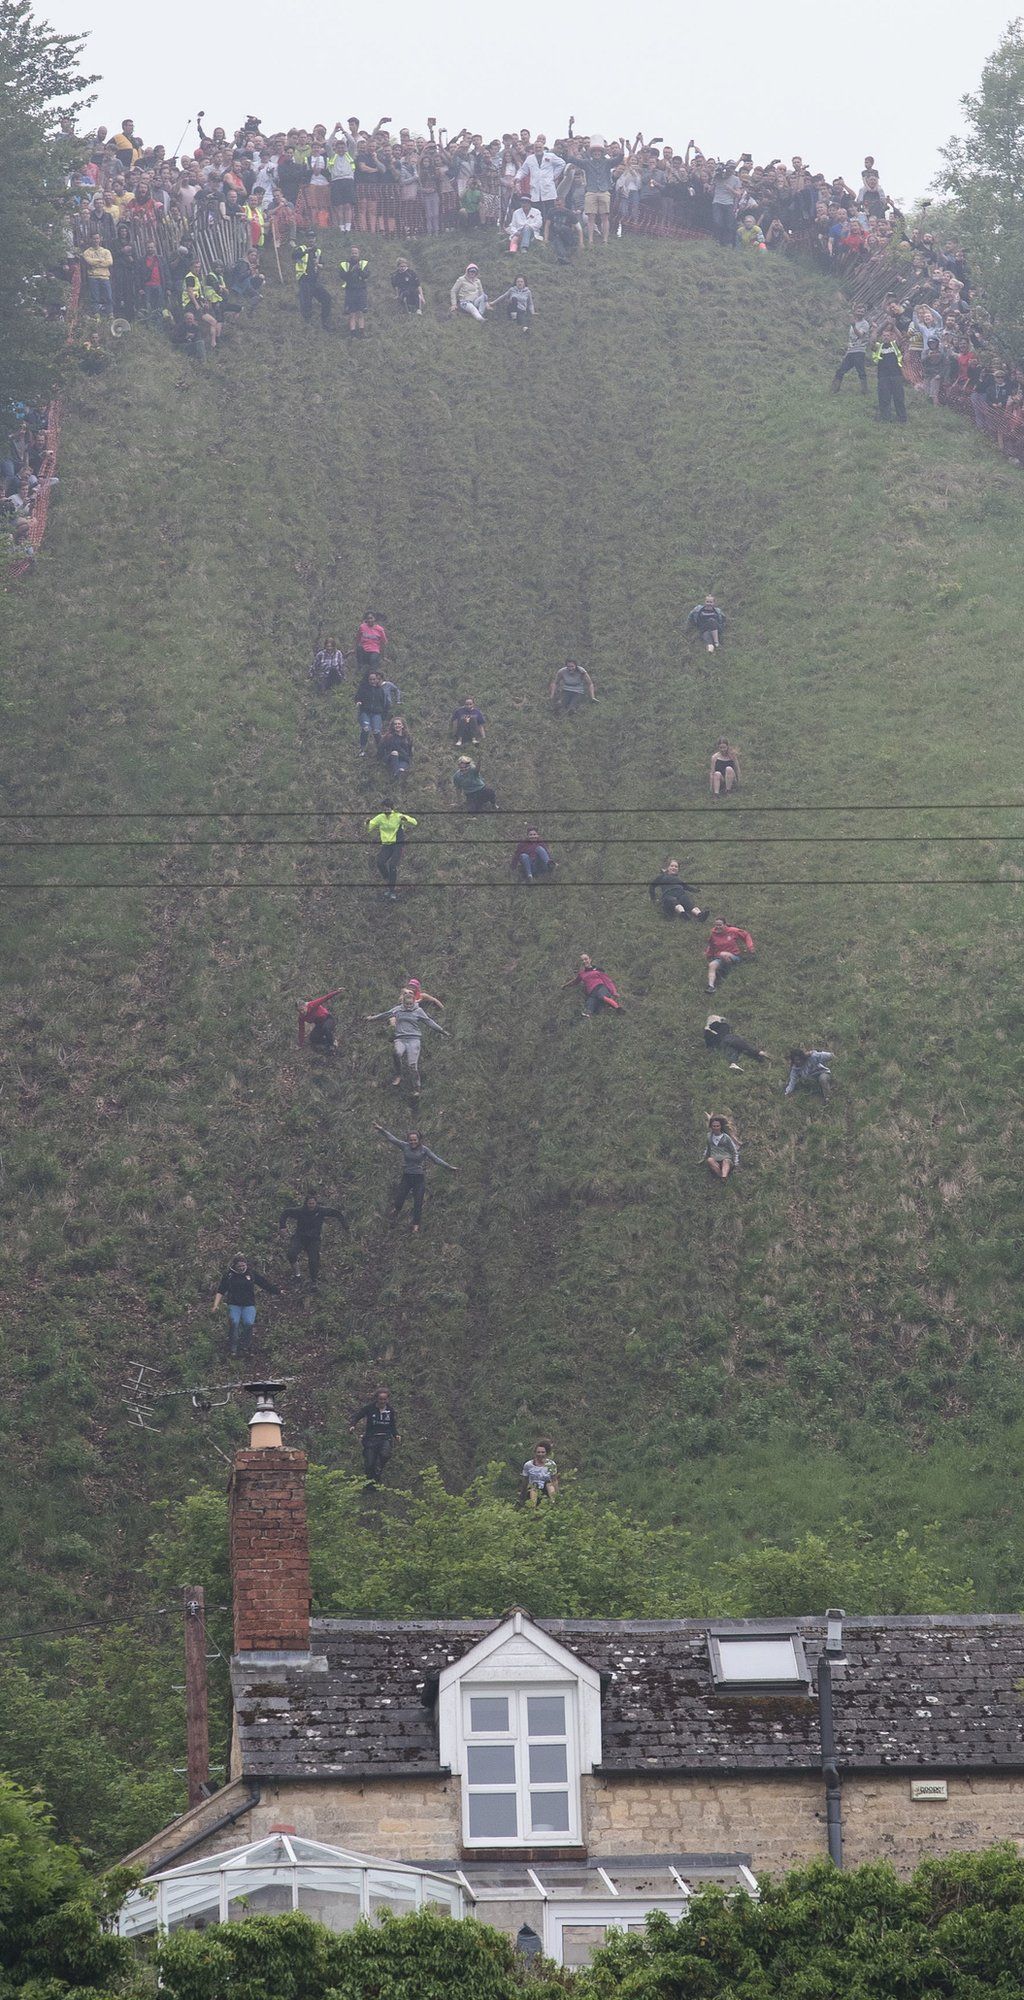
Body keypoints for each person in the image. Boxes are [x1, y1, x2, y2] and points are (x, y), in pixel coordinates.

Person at [366, 985, 449, 1097]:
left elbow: (429, 1022)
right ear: (403, 1002)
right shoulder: (398, 1009)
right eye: (407, 1004)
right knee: (397, 1053)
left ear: (414, 1001)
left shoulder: (418, 1010)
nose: (409, 1006)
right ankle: (398, 1074)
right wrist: (372, 1018)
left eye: (411, 1004)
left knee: (412, 1065)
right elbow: (385, 1015)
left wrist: (442, 1031)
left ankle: (417, 1088)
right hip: (400, 1038)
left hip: (414, 1040)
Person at [374, 1122, 457, 1232]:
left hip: (419, 1179)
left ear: (419, 1140)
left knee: (418, 1202)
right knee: (399, 1199)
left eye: (415, 1140)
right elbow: (392, 1139)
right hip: (407, 1177)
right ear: (408, 1140)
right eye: (411, 1140)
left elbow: (436, 1159)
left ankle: (415, 1225)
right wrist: (381, 1129)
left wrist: (449, 1167)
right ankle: (396, 1210)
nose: (413, 1142)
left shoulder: (424, 1150)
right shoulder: (404, 1146)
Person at [213, 1255, 281, 1356]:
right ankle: (233, 1348)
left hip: (248, 1304)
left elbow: (264, 1283)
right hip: (234, 1304)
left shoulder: (251, 1274)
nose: (242, 1268)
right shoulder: (229, 1275)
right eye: (239, 1266)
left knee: (248, 1323)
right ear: (234, 1266)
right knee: (234, 1323)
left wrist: (278, 1291)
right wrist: (215, 1305)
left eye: (243, 1265)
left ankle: (245, 1345)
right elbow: (221, 1291)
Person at [277, 1191, 347, 1282]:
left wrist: (346, 1226)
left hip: (314, 1239)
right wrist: (282, 1226)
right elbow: (285, 1213)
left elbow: (336, 1213)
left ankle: (314, 1281)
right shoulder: (300, 1211)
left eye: (313, 1203)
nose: (311, 1206)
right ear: (306, 1204)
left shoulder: (321, 1211)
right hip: (300, 1237)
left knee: (313, 1260)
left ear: (316, 1203)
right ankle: (297, 1275)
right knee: (291, 1254)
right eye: (309, 1204)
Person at [367, 799, 416, 898]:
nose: (386, 810)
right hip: (387, 845)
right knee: (380, 863)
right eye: (384, 808)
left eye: (387, 808)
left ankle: (392, 890)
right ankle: (388, 879)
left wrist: (406, 820)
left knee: (392, 865)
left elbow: (414, 823)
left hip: (397, 845)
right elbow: (370, 826)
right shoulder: (380, 817)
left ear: (391, 808)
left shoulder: (398, 816)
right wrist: (367, 823)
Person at [349, 1386, 400, 1481]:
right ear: (377, 1398)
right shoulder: (369, 1408)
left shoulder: (390, 1410)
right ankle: (369, 1483)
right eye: (380, 1399)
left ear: (387, 1399)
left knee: (385, 1455)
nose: (382, 1401)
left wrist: (396, 1434)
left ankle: (378, 1470)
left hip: (385, 1437)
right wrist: (353, 1425)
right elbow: (358, 1416)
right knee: (369, 1463)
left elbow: (392, 1425)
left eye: (385, 1399)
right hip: (370, 1438)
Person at [705, 917, 756, 991]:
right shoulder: (713, 934)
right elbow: (711, 945)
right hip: (719, 958)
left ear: (725, 924)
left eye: (720, 925)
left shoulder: (733, 931)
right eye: (716, 925)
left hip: (734, 956)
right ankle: (711, 986)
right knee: (712, 965)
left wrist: (750, 947)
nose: (718, 927)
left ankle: (727, 972)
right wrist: (708, 954)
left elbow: (746, 935)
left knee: (723, 954)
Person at [565, 953, 623, 1017]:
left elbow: (608, 981)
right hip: (592, 993)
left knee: (601, 996)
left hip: (600, 988)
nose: (584, 961)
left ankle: (618, 1007)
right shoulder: (581, 974)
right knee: (590, 1004)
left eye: (586, 959)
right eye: (582, 960)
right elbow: (575, 982)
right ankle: (587, 1015)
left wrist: (614, 992)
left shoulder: (598, 970)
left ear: (590, 960)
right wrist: (565, 986)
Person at [704, 1015, 769, 1070]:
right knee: (737, 1042)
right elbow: (724, 1033)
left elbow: (708, 1045)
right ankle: (758, 1053)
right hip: (725, 1039)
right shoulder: (723, 1025)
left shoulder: (707, 1031)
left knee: (733, 1047)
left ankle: (733, 1064)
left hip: (718, 1048)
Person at [292, 240, 332, 328]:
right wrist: (307, 251)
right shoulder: (301, 248)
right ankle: (307, 326)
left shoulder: (318, 251)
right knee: (306, 303)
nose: (311, 240)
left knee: (327, 299)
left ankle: (325, 322)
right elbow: (294, 256)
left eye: (313, 238)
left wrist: (318, 264)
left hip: (314, 281)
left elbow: (322, 265)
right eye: (309, 238)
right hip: (304, 280)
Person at [873, 323, 907, 424]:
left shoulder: (895, 345)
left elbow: (901, 339)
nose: (886, 337)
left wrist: (894, 326)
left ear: (892, 337)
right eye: (884, 335)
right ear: (881, 337)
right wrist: (880, 327)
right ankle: (886, 419)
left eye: (888, 335)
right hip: (883, 376)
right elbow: (872, 340)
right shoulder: (879, 347)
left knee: (899, 398)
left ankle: (902, 419)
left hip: (896, 375)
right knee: (884, 398)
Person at [355, 668, 392, 753]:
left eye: (374, 679)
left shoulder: (381, 691)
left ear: (377, 680)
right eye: (370, 679)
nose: (372, 681)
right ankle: (362, 748)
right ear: (368, 680)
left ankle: (381, 749)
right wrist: (358, 702)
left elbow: (385, 704)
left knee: (376, 732)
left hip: (376, 714)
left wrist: (383, 715)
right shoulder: (364, 689)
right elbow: (358, 697)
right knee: (366, 729)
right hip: (365, 712)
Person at [832, 316, 871, 394]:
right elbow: (851, 338)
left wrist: (853, 326)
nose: (860, 313)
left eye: (862, 311)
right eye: (859, 311)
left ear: (864, 313)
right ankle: (834, 389)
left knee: (861, 372)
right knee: (841, 370)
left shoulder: (865, 324)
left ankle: (865, 391)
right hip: (851, 351)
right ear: (856, 312)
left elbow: (860, 335)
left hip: (859, 350)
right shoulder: (853, 322)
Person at [82, 230, 114, 314]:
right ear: (90, 240)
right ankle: (96, 315)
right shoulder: (87, 252)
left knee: (108, 297)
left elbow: (110, 262)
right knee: (95, 298)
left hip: (105, 277)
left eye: (97, 238)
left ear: (100, 239)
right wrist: (102, 261)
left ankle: (110, 314)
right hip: (93, 277)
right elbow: (89, 262)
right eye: (93, 238)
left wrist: (95, 263)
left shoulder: (106, 251)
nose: (95, 240)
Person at [339, 246, 370, 335]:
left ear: (359, 254)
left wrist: (359, 270)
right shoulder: (344, 264)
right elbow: (342, 276)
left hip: (361, 290)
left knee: (360, 312)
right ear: (350, 254)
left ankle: (361, 332)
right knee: (351, 313)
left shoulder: (364, 263)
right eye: (353, 253)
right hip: (350, 291)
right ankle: (352, 332)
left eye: (356, 253)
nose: (354, 255)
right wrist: (351, 271)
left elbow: (367, 275)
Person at [703, 1113, 740, 1179]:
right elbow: (707, 1148)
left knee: (726, 1161)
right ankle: (721, 1176)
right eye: (714, 1126)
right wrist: (703, 1158)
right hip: (715, 1160)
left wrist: (736, 1163)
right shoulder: (709, 1136)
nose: (716, 1128)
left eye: (717, 1126)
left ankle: (724, 1175)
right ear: (711, 1127)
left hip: (726, 1160)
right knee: (710, 1160)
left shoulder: (726, 1137)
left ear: (720, 1126)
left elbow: (734, 1150)